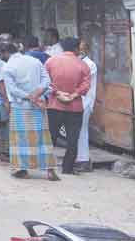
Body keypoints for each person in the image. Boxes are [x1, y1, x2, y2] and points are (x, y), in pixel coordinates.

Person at [1, 42, 60, 181]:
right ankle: (50, 170)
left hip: (20, 107)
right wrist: (37, 94)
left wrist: (29, 96)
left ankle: (22, 169)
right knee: (43, 138)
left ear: (4, 53)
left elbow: (13, 90)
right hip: (38, 105)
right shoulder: (35, 61)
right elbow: (47, 80)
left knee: (20, 139)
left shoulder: (8, 67)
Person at [45, 37, 91, 176]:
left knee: (51, 137)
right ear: (76, 49)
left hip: (54, 105)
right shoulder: (83, 65)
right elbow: (86, 85)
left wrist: (56, 92)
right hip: (75, 107)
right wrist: (73, 95)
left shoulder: (51, 61)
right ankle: (67, 168)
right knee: (73, 139)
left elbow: (45, 81)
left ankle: (48, 167)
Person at [76, 40, 98, 172]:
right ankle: (80, 158)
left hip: (86, 101)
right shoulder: (78, 62)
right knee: (76, 131)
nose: (80, 51)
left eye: (82, 49)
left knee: (82, 131)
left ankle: (83, 160)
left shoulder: (90, 64)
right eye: (79, 49)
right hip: (78, 101)